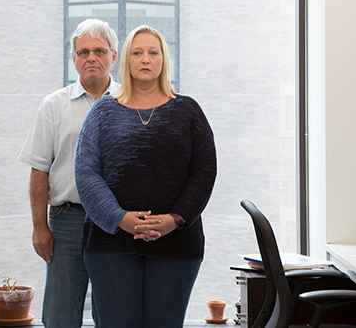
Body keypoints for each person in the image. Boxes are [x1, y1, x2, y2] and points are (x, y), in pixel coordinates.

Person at [74, 24, 217, 328]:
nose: (145, 59)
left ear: (164, 59)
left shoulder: (188, 110)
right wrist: (120, 218)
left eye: (153, 52)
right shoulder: (103, 111)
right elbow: (86, 173)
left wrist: (174, 219)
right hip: (110, 243)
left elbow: (204, 172)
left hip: (177, 244)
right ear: (125, 59)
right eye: (137, 52)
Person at [18, 18, 120, 328]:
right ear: (73, 58)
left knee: (115, 313)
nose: (92, 58)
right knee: (60, 315)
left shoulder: (129, 103)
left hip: (116, 222)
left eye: (100, 51)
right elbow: (39, 170)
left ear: (113, 56)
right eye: (84, 51)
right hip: (67, 220)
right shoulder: (53, 106)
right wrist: (39, 226)